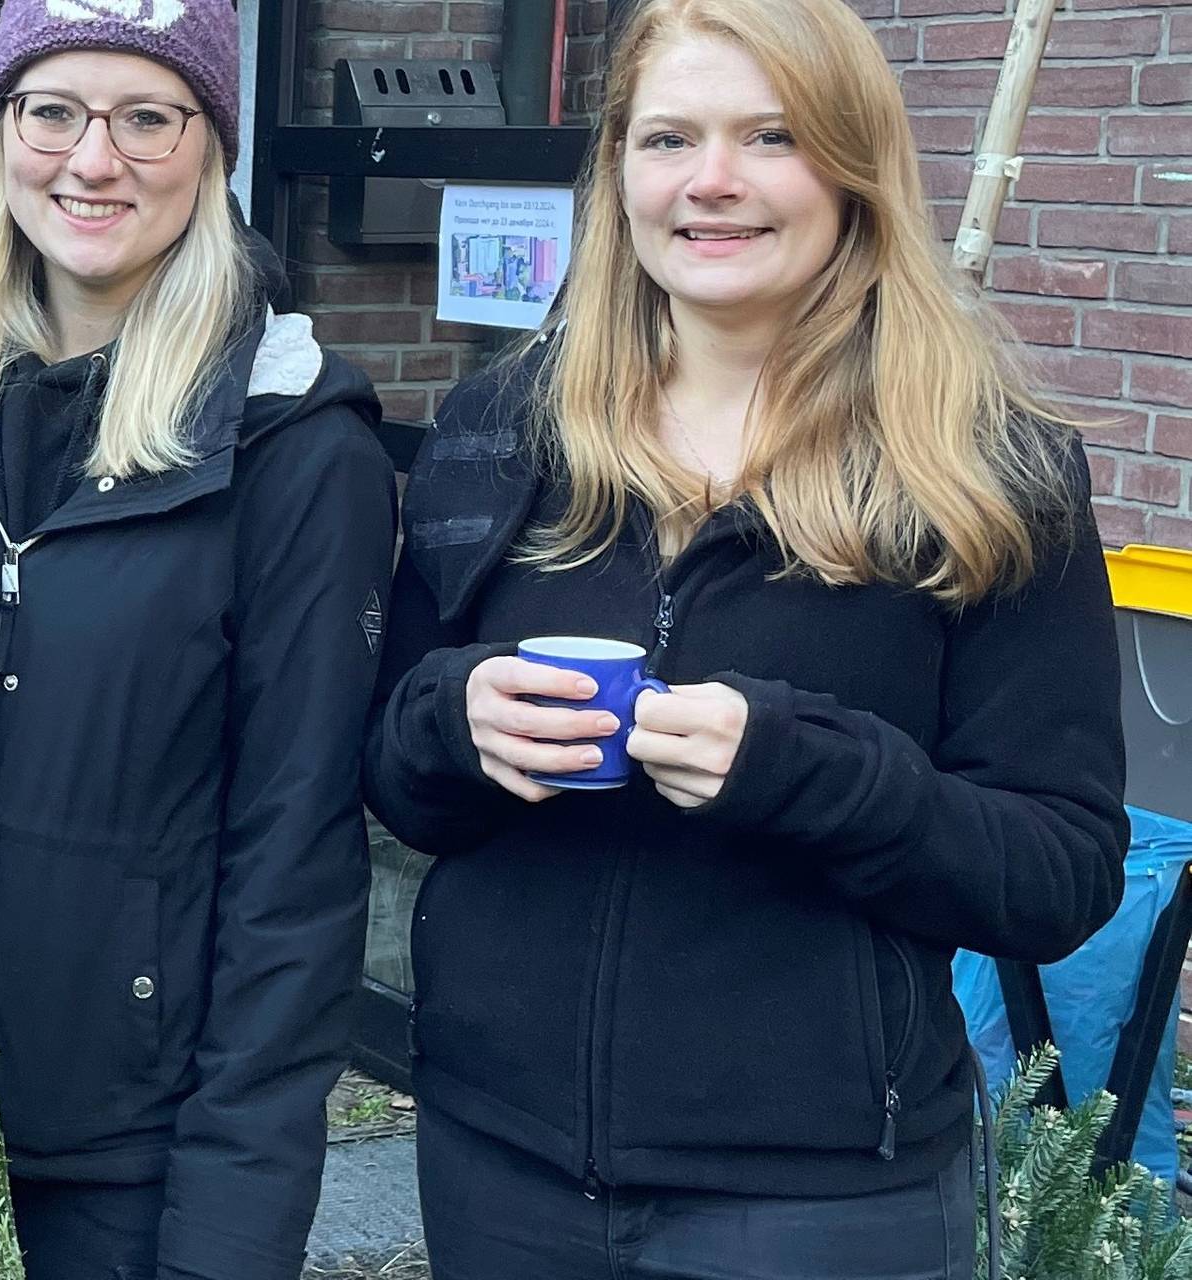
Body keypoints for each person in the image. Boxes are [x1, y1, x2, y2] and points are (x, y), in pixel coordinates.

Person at [364, 0, 1127, 1274]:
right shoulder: (505, 426)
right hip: (499, 1162)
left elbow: (1059, 869)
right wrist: (455, 721)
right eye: (669, 139)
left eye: (769, 137)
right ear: (618, 173)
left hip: (819, 1204)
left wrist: (804, 769)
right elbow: (394, 776)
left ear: (852, 165)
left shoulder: (990, 467)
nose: (710, 183)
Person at [0, 2, 393, 1276]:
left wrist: (229, 1234)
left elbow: (292, 869)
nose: (94, 160)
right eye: (54, 111)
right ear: (0, 134)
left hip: (126, 1169)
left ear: (211, 147)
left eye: (148, 116)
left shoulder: (293, 449)